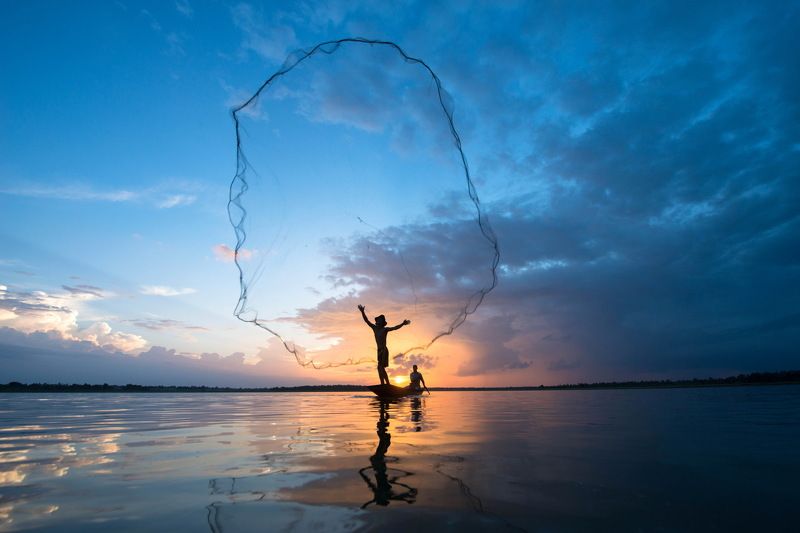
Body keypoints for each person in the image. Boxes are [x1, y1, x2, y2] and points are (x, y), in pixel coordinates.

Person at [358, 304, 410, 385]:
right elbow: (366, 320)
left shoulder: (385, 329)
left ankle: (387, 384)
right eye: (378, 320)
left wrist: (403, 324)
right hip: (379, 351)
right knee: (379, 368)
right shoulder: (374, 328)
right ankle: (383, 384)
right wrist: (362, 312)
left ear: (382, 323)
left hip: (384, 350)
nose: (378, 321)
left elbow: (395, 327)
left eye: (380, 320)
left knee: (381, 367)